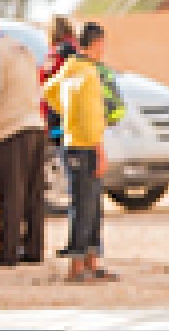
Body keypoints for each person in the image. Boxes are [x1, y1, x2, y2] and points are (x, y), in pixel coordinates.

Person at [43, 22, 116, 282]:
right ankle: (79, 266)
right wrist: (100, 150)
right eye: (103, 45)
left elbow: (48, 90)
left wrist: (67, 115)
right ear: (96, 44)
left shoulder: (68, 68)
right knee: (88, 206)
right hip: (87, 146)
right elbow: (94, 116)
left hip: (71, 142)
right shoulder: (89, 74)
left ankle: (89, 262)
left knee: (84, 204)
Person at [0, 11, 47, 267]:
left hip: (11, 130)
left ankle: (8, 253)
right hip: (35, 127)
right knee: (33, 193)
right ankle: (33, 249)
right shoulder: (22, 48)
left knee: (10, 192)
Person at [43, 17, 77, 144]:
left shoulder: (57, 51)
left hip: (58, 105)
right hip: (78, 105)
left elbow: (45, 77)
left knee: (57, 140)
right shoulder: (77, 47)